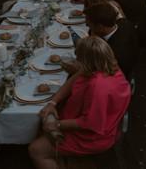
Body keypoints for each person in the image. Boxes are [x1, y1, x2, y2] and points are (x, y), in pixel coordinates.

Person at [32, 36, 131, 169]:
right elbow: (76, 77)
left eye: (78, 58)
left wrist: (57, 124)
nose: (76, 60)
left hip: (93, 137)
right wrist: (53, 103)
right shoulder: (105, 64)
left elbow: (89, 123)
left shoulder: (98, 87)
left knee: (36, 150)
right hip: (97, 125)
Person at [84, 3, 138, 79]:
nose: (87, 26)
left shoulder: (110, 52)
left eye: (89, 24)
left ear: (100, 27)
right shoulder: (123, 22)